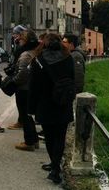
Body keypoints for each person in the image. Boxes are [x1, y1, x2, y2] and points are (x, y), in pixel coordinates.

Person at [29, 33, 75, 184]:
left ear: (45, 44)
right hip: (63, 103)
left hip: (45, 104)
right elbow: (73, 80)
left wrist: (31, 108)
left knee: (49, 137)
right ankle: (55, 167)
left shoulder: (39, 60)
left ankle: (55, 167)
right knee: (60, 137)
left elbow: (33, 87)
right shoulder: (68, 58)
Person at [6, 28, 39, 151]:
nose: (18, 40)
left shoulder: (25, 54)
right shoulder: (35, 51)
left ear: (26, 40)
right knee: (28, 116)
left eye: (21, 38)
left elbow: (22, 74)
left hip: (24, 89)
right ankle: (34, 140)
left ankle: (29, 142)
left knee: (25, 116)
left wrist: (12, 81)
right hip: (30, 87)